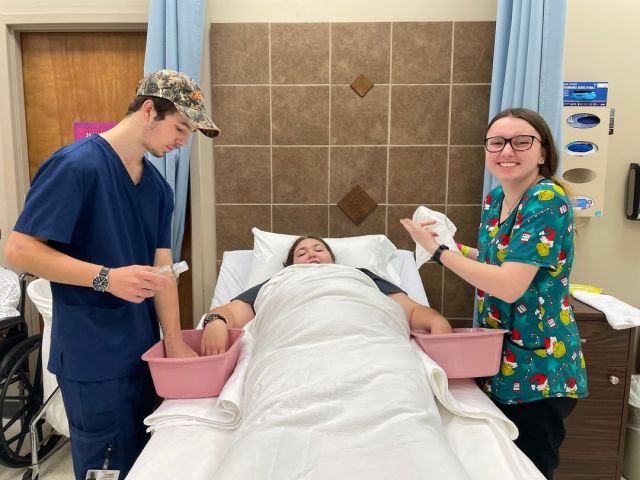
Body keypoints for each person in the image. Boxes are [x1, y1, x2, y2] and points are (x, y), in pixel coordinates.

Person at [4, 69, 220, 479]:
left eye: (188, 133)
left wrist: (173, 342)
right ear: (149, 109)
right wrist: (106, 277)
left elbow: (163, 269)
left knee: (140, 462)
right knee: (105, 467)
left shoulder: (159, 190)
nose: (181, 142)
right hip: (93, 358)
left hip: (142, 354)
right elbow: (19, 249)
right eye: (180, 128)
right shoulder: (76, 167)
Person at [401, 107, 587, 479]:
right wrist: (448, 246)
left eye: (521, 142)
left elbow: (509, 283)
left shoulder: (546, 199)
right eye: (497, 142)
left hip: (541, 367)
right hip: (500, 358)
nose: (507, 151)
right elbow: (493, 260)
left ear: (543, 152)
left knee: (530, 468)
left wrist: (441, 254)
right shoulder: (495, 201)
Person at [200, 235, 452, 355]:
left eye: (319, 249)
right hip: (292, 348)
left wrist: (437, 321)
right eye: (302, 253)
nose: (311, 254)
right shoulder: (277, 281)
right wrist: (215, 322)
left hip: (368, 345)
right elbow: (230, 312)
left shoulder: (360, 275)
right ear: (290, 267)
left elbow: (412, 311)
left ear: (333, 259)